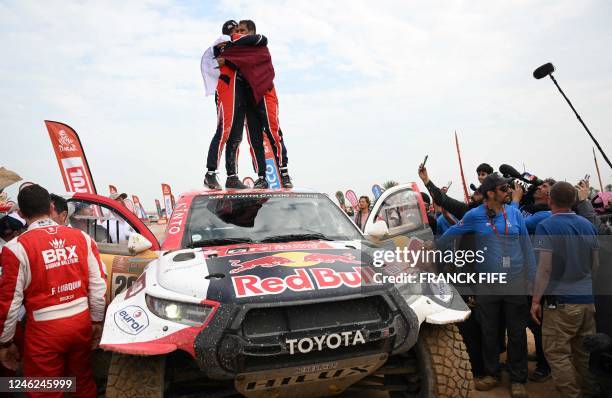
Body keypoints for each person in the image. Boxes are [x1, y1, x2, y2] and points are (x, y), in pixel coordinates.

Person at [0, 184, 107, 397]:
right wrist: (96, 321)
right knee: (82, 383)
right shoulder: (82, 238)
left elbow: (9, 302)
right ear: (51, 207)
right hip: (80, 323)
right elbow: (98, 285)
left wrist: (5, 342)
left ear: (21, 213)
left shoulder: (15, 248)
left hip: (43, 331)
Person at [438, 173, 535, 397]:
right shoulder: (474, 215)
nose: (508, 191)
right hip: (487, 285)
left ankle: (518, 378)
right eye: (503, 189)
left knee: (517, 332)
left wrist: (531, 277)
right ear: (490, 193)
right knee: (489, 331)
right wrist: (429, 244)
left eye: (508, 188)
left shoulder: (514, 213)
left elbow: (526, 245)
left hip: (515, 283)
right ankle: (492, 373)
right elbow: (452, 232)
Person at [530, 181, 600, 398]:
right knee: (584, 354)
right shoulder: (588, 225)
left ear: (550, 199)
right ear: (574, 200)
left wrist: (535, 301)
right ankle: (591, 391)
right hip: (587, 301)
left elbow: (545, 269)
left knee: (558, 355)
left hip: (561, 303)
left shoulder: (546, 226)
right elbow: (595, 264)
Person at [227, 20, 293, 188]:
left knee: (273, 133)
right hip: (249, 99)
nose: (239, 32)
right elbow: (221, 56)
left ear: (251, 32)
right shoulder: (237, 51)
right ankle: (262, 176)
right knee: (254, 139)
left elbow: (259, 40)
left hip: (265, 94)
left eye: (242, 30)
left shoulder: (259, 44)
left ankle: (284, 171)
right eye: (237, 30)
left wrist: (232, 39)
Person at [202, 20, 250, 190]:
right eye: (236, 30)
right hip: (226, 89)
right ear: (230, 31)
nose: (239, 33)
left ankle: (232, 176)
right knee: (224, 130)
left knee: (237, 135)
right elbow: (225, 60)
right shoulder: (221, 42)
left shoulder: (239, 46)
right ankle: (210, 173)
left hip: (239, 91)